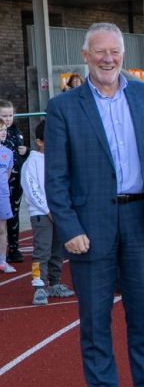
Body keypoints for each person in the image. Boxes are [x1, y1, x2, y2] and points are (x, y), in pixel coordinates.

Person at [45, 22, 144, 387]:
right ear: (85, 55)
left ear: (123, 55)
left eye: (115, 51)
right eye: (101, 52)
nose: (109, 58)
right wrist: (69, 226)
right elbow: (55, 178)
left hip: (142, 219)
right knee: (94, 320)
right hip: (90, 226)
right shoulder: (64, 107)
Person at [21, 120, 76, 303]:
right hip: (41, 214)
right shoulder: (32, 162)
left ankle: (54, 282)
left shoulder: (59, 161)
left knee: (57, 249)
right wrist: (47, 209)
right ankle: (39, 285)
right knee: (41, 250)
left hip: (58, 212)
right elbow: (32, 189)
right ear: (40, 142)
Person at [0, 100, 27, 264]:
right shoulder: (2, 134)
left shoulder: (17, 132)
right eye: (4, 116)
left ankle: (14, 248)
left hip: (16, 181)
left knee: (13, 214)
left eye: (10, 115)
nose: (8, 119)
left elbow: (19, 154)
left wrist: (26, 151)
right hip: (3, 183)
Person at [0, 121, 14, 274]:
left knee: (2, 229)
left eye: (4, 130)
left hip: (2, 195)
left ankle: (2, 260)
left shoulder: (8, 153)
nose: (3, 133)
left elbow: (7, 175)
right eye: (0, 130)